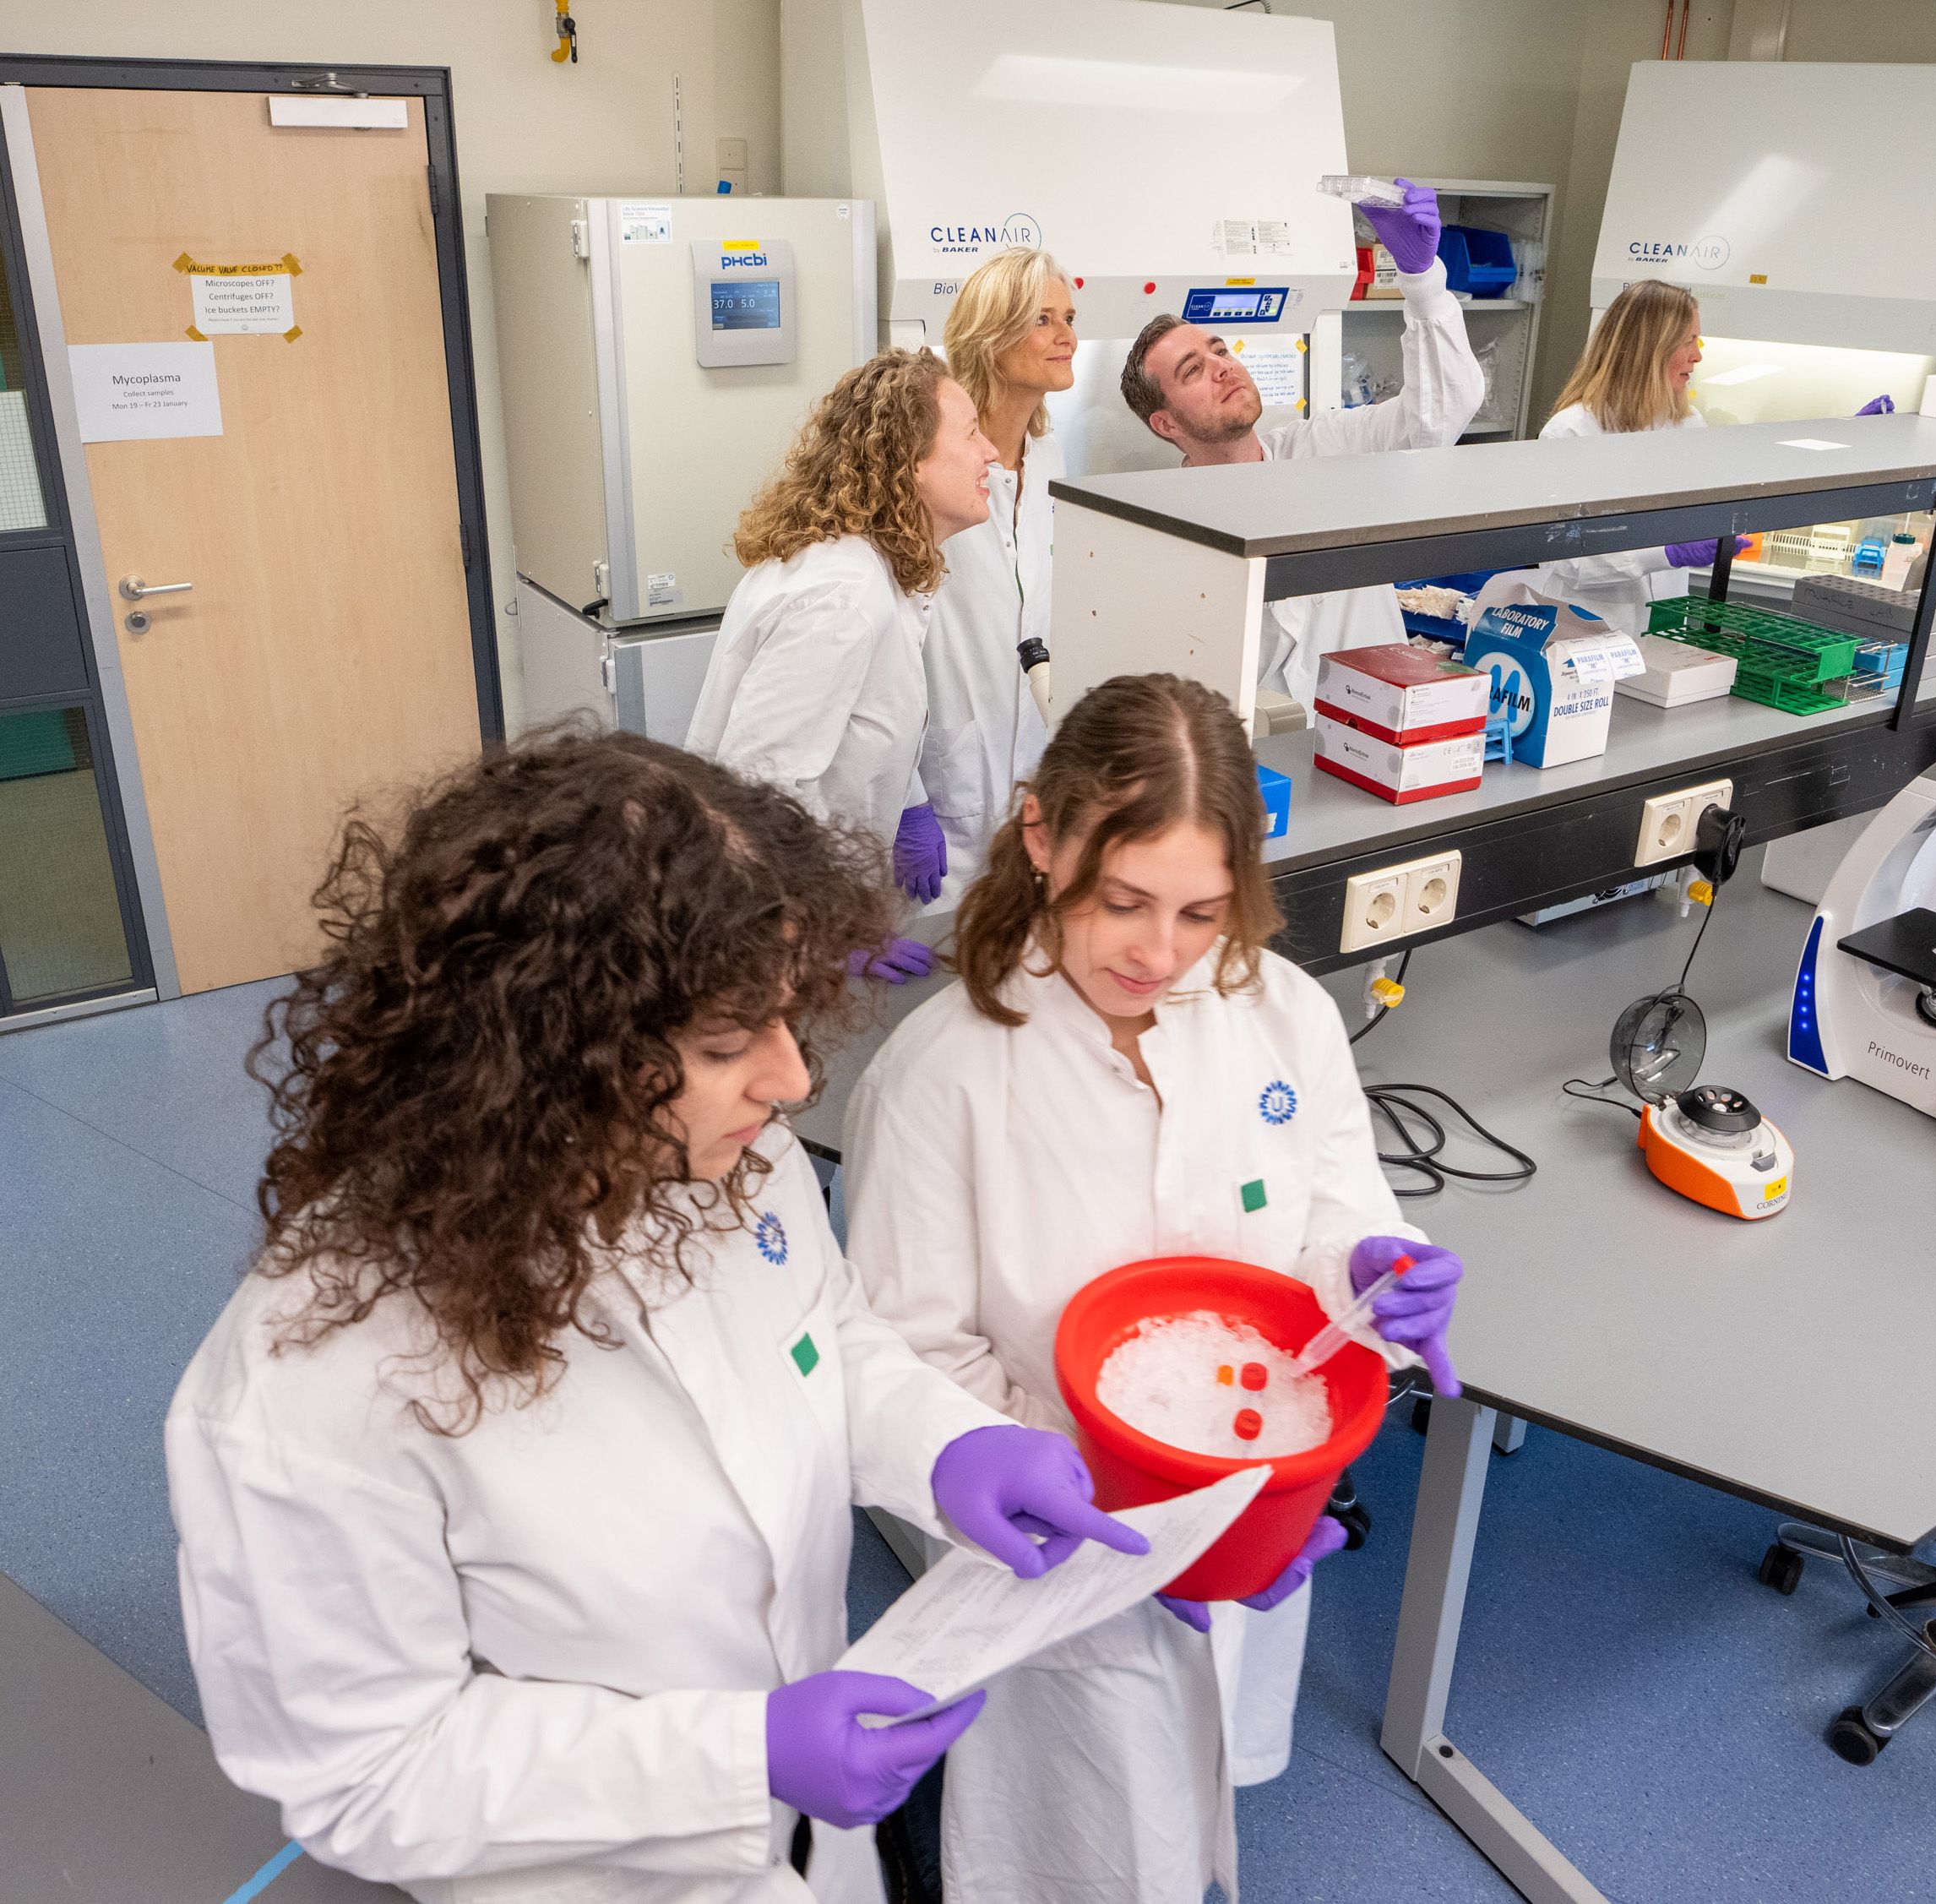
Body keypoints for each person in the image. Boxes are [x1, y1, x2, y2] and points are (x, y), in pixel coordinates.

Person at [166, 732, 1152, 1904]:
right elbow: (373, 1774)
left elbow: (822, 1332)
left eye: (786, 1021)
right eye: (729, 1043)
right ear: (544, 1057)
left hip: (815, 1844)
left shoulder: (727, 1159)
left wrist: (947, 1444)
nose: (791, 1080)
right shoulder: (316, 1378)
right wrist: (744, 1756)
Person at [841, 673, 1466, 1903]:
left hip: (1253, 1499)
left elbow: (1336, 1195)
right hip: (1063, 1542)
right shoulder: (944, 1078)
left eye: (1201, 911)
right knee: (1093, 1841)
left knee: (1201, 1791)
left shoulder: (1278, 1012)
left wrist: (1364, 1268)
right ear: (1041, 835)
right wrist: (1133, 1525)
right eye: (1123, 900)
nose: (1159, 952)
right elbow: (907, 1361)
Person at [688, 349, 999, 980]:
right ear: (907, 463)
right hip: (763, 934)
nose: (990, 451)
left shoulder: (878, 572)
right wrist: (820, 938)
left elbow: (866, 714)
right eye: (969, 434)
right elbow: (758, 790)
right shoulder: (840, 594)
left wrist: (909, 803)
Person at [1119, 181, 1484, 705]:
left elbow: (1442, 411)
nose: (1222, 367)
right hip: (1253, 758)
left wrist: (1423, 281)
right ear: (1165, 424)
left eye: (1220, 350)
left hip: (1375, 730)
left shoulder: (1329, 448)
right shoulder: (1163, 536)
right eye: (1193, 370)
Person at [925, 248, 1078, 900]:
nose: (1066, 336)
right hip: (936, 776)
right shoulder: (933, 460)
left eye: (1068, 316)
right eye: (1042, 319)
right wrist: (903, 797)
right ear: (990, 337)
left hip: (1032, 773)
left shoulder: (1050, 457)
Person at [1526, 279, 1721, 629]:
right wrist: (1664, 553)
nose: (1697, 355)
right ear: (1651, 348)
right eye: (1688, 341)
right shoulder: (1572, 432)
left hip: (1666, 621)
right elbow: (1564, 558)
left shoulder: (1687, 425)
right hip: (1588, 627)